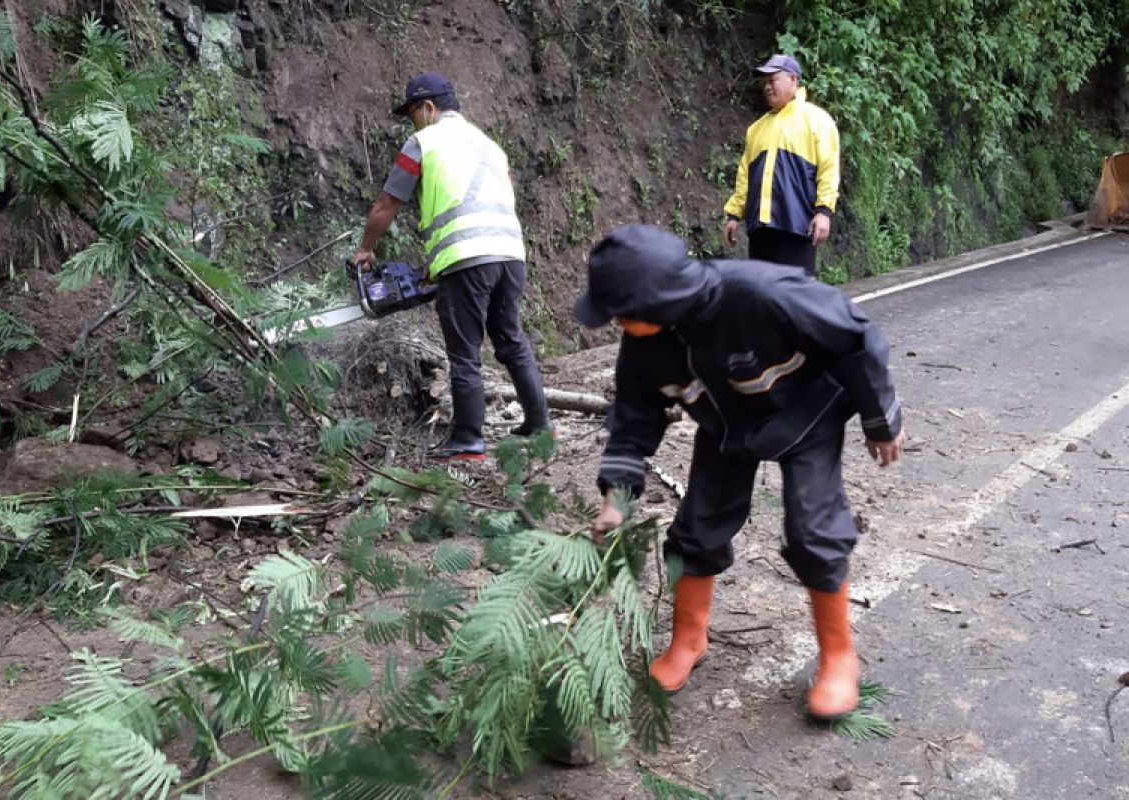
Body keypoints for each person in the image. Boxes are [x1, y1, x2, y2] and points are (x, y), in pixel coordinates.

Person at [573, 224, 904, 720]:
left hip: (806, 415)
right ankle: (688, 640)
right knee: (696, 529)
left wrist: (880, 420)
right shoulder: (643, 345)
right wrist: (616, 500)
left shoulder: (759, 293)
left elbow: (854, 335)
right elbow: (632, 421)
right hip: (727, 428)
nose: (616, 323)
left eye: (621, 313)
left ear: (659, 303)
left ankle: (838, 657)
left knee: (813, 528)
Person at [352, 73, 550, 461]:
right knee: (511, 340)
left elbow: (387, 205)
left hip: (468, 261)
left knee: (464, 352)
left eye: (413, 113)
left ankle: (468, 439)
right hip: (510, 255)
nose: (413, 122)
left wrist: (365, 250)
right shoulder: (490, 146)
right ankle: (540, 422)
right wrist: (439, 262)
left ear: (428, 108)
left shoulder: (422, 143)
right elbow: (477, 201)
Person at [723, 54, 840, 278]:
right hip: (761, 230)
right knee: (761, 295)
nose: (767, 87)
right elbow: (745, 176)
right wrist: (734, 215)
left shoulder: (816, 120)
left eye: (773, 80)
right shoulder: (756, 128)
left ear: (793, 80)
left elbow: (829, 169)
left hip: (796, 226)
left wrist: (824, 212)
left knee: (796, 297)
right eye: (764, 82)